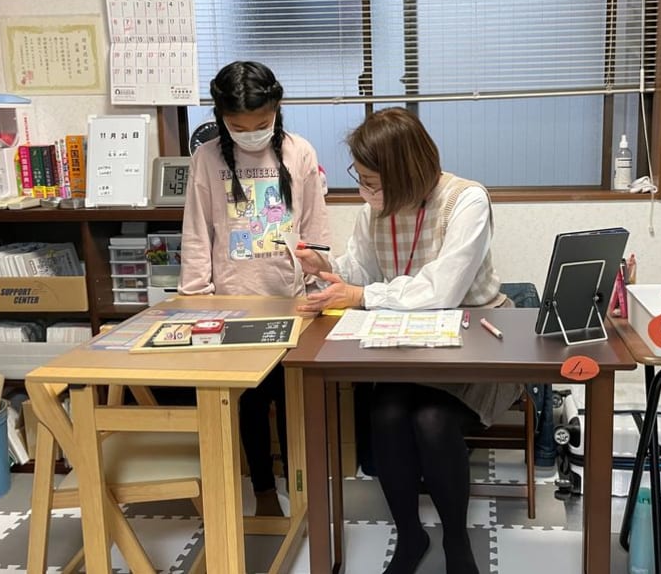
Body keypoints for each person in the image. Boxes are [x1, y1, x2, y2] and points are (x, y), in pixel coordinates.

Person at [296, 107, 521, 574]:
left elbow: (442, 292)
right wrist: (328, 268)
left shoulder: (466, 201)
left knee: (433, 420)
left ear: (405, 173)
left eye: (371, 182)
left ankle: (456, 540)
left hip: (475, 338)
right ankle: (410, 535)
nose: (364, 192)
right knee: (386, 414)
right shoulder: (374, 210)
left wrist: (361, 295)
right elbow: (361, 270)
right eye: (360, 180)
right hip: (406, 341)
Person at [179, 60, 330, 516]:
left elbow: (315, 227)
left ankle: (300, 492)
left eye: (260, 124)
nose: (250, 134)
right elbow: (197, 232)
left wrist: (320, 281)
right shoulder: (206, 159)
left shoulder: (299, 152)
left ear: (276, 109)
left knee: (291, 401)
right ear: (222, 118)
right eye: (238, 127)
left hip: (292, 302)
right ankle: (264, 492)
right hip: (232, 305)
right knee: (251, 403)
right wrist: (196, 298)